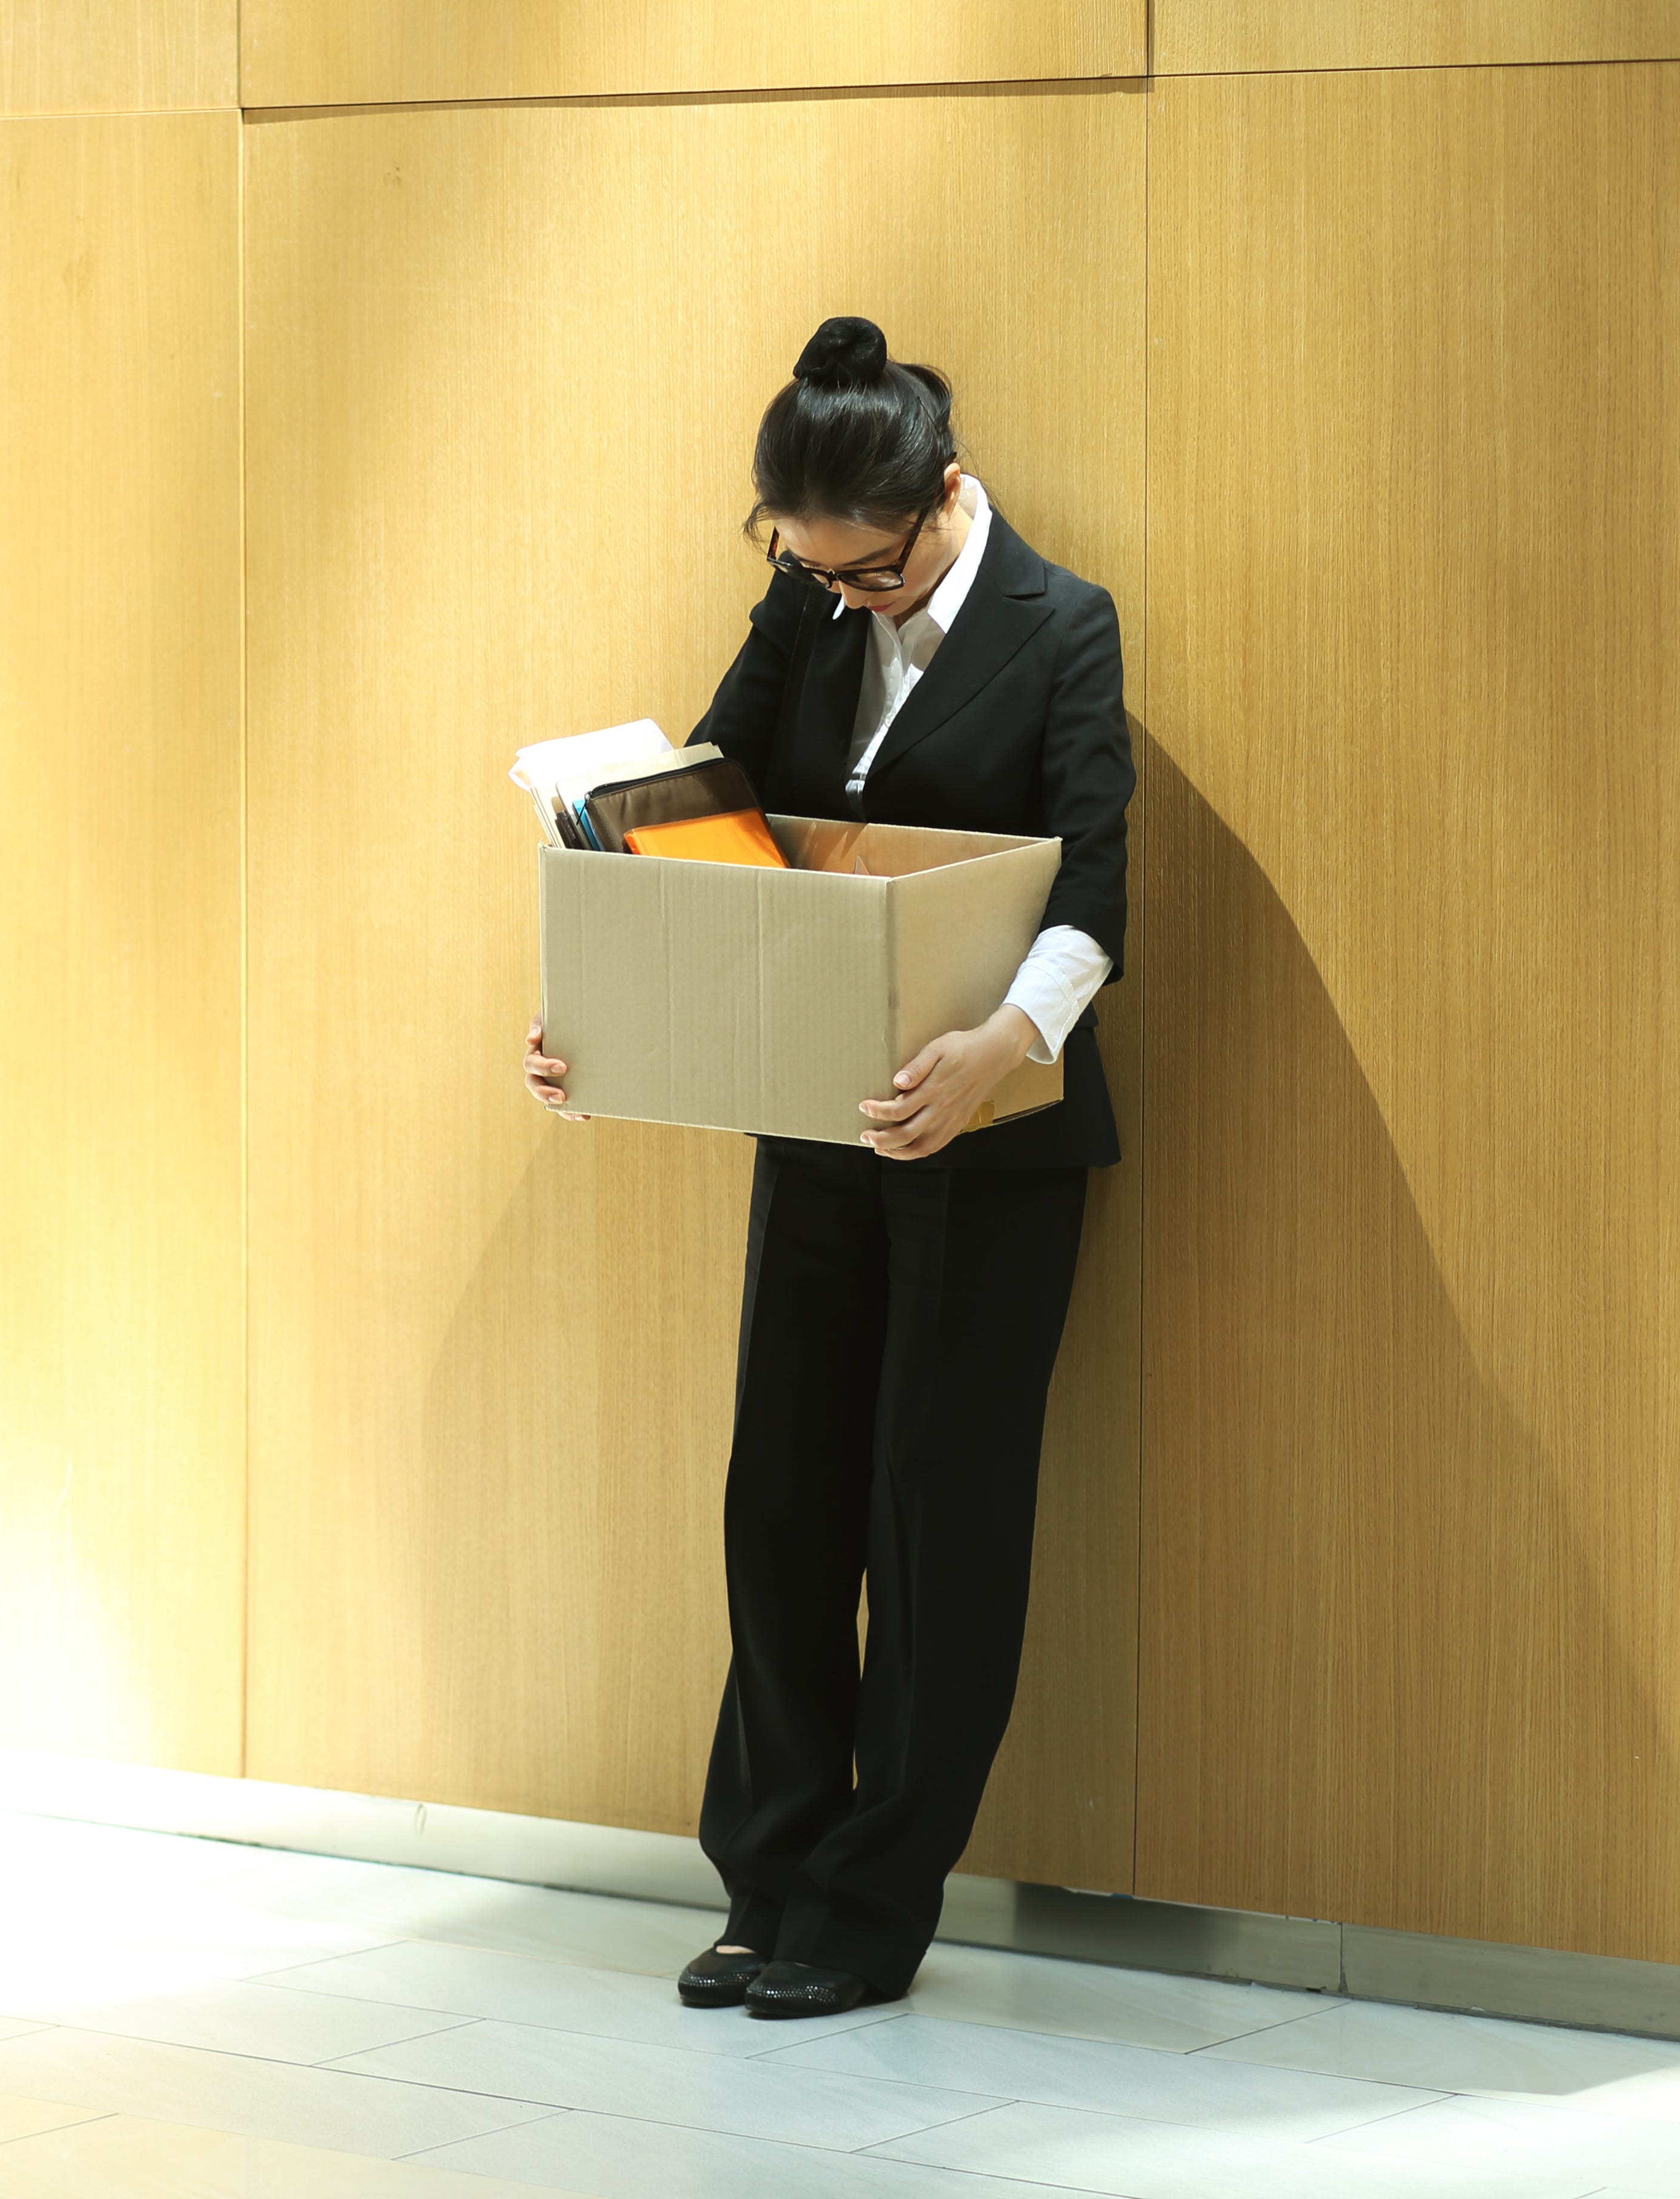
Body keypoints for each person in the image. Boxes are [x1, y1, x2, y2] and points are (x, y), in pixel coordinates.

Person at [520, 315, 1132, 2019]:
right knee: (782, 1503)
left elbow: (1095, 896)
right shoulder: (805, 596)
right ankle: (768, 1880)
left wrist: (1001, 1048)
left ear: (941, 502)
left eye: (867, 576)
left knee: (933, 1520)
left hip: (983, 1142)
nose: (838, 600)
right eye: (810, 574)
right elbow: (694, 818)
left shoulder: (1058, 625)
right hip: (814, 1118)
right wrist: (596, 1017)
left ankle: (869, 1911)